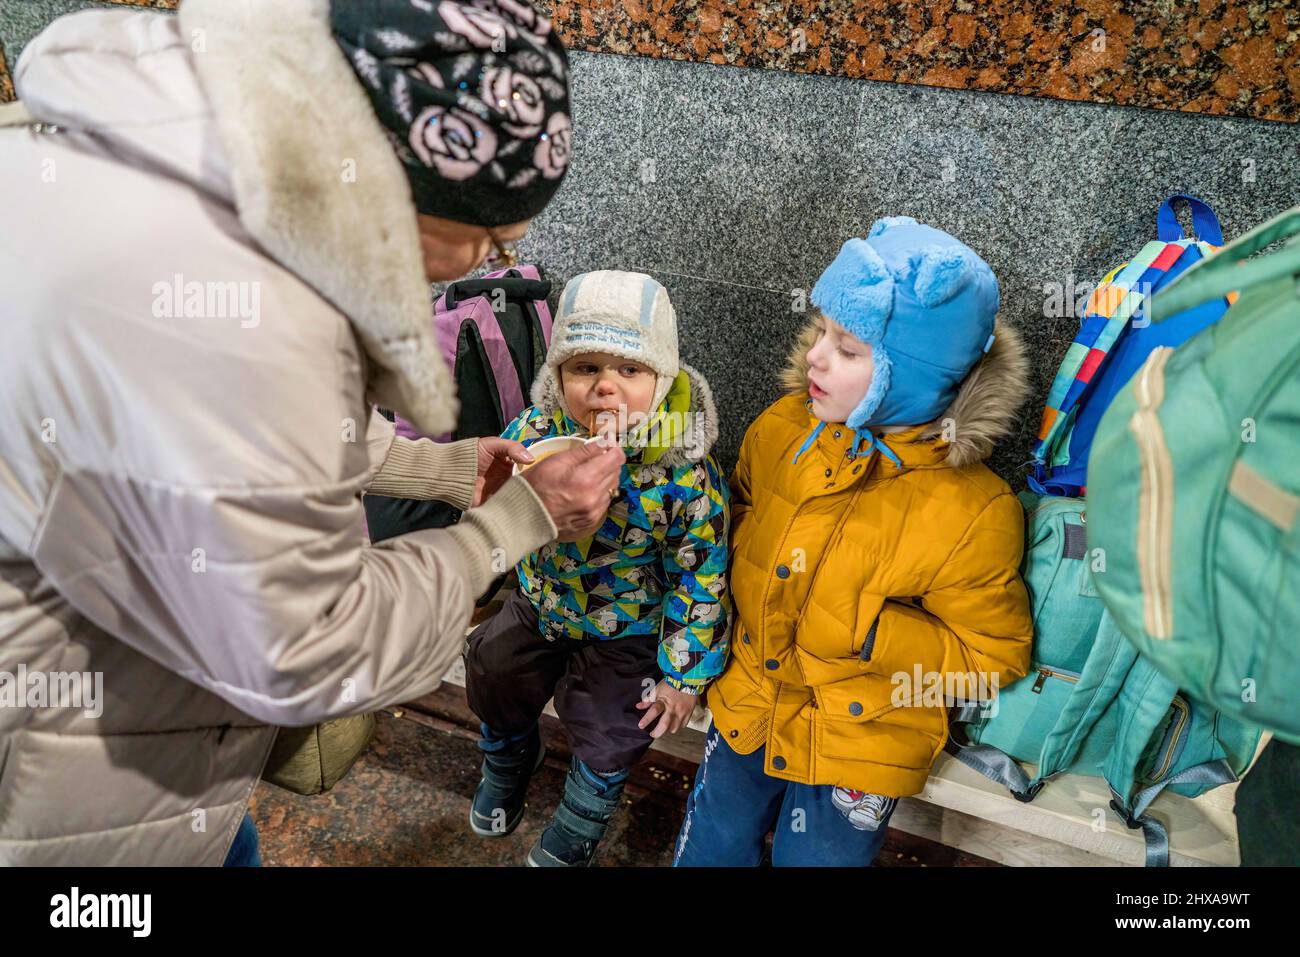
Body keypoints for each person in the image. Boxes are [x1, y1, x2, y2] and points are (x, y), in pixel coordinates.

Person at [0, 0, 621, 865]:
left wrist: (439, 469)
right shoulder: (241, 323)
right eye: (488, 230)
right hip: (74, 785)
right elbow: (302, 648)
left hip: (141, 716)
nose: (490, 260)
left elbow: (233, 436)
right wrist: (515, 525)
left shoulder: (152, 160)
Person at [673, 216, 1034, 866]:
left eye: (848, 347)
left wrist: (875, 635)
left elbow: (993, 656)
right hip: (752, 696)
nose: (815, 355)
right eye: (821, 333)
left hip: (863, 737)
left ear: (912, 377)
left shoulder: (975, 510)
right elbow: (737, 520)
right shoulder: (784, 428)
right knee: (712, 846)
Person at [463, 270, 731, 866]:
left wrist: (683, 675)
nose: (605, 389)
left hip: (627, 623)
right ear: (557, 376)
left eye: (629, 371)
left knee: (617, 721)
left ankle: (585, 812)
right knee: (490, 664)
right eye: (585, 368)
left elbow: (702, 572)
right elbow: (493, 519)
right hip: (543, 601)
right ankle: (508, 757)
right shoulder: (535, 433)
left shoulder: (681, 470)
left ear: (661, 378)